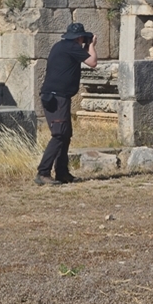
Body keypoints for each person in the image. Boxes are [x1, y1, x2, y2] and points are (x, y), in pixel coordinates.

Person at [35, 22, 98, 185]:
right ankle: (43, 172)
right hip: (57, 97)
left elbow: (81, 57)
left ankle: (62, 172)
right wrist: (91, 45)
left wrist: (86, 45)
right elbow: (92, 62)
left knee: (65, 134)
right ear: (79, 38)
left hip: (56, 96)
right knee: (59, 134)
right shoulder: (71, 46)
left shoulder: (62, 46)